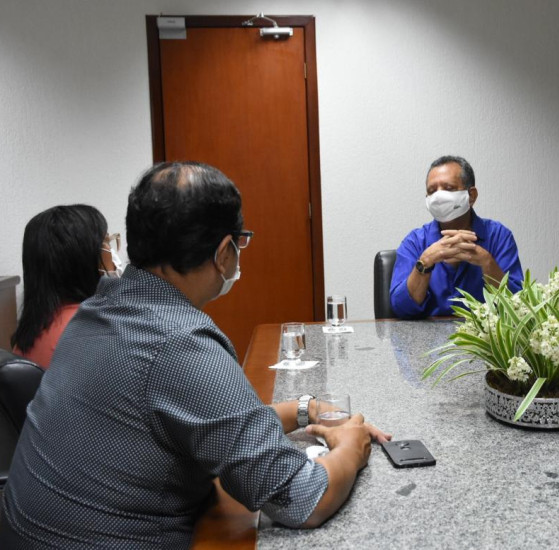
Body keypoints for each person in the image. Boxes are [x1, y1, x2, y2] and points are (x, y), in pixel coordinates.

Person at [1, 162, 390, 548]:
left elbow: (210, 423)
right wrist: (350, 447)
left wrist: (305, 409)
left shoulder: (97, 310)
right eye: (240, 243)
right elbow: (302, 499)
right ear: (223, 253)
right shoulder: (180, 343)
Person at [390, 155, 523, 318]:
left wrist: (487, 262)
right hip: (428, 334)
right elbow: (401, 308)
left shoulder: (498, 236)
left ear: (471, 195)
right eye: (432, 191)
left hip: (484, 333)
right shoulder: (415, 242)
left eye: (449, 188)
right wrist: (425, 262)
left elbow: (517, 306)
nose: (438, 197)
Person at [11, 204, 119, 368]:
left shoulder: (33, 329)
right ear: (84, 259)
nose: (112, 256)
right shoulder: (92, 330)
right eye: (106, 245)